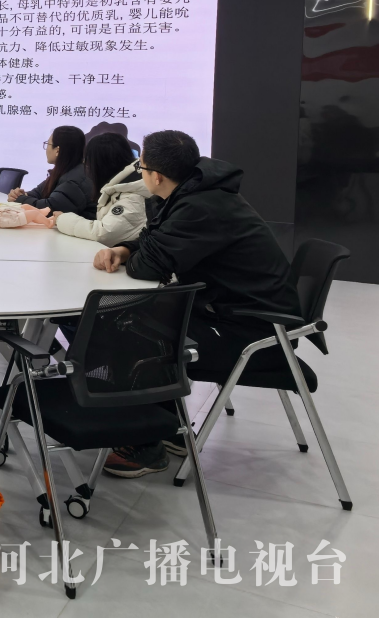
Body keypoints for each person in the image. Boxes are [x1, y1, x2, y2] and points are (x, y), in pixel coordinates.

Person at [92, 130, 301, 478]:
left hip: (256, 332)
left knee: (135, 332)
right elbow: (155, 245)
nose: (140, 173)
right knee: (142, 319)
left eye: (141, 167)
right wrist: (125, 249)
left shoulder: (200, 206)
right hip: (232, 313)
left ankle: (144, 445)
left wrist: (135, 253)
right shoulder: (196, 193)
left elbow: (149, 267)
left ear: (157, 176)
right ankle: (168, 428)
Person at [53, 132, 149, 245]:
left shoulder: (132, 195)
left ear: (100, 165)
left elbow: (104, 233)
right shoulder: (123, 186)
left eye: (88, 162)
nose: (87, 167)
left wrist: (62, 219)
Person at [8, 125, 95, 217]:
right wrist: (22, 194)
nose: (46, 149)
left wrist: (19, 199)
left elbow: (49, 209)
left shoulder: (75, 180)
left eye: (48, 144)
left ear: (57, 150)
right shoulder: (66, 171)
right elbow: (39, 192)